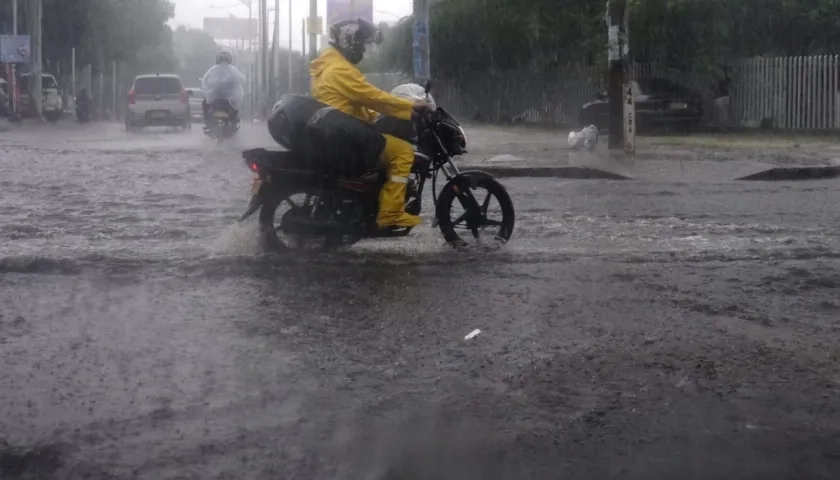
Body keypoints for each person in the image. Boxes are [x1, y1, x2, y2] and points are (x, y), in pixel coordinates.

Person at [310, 18, 433, 230]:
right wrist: (410, 107)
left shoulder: (329, 67)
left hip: (342, 131)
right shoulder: (339, 70)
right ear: (350, 43)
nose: (363, 50)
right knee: (403, 151)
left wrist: (378, 115)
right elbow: (373, 96)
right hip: (347, 137)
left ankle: (376, 201)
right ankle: (391, 214)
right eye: (361, 45)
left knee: (389, 143)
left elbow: (356, 103)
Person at [200, 51, 246, 129]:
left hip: (215, 98)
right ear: (229, 60)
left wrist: (207, 90)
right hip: (228, 99)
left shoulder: (213, 70)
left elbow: (204, 81)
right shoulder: (233, 70)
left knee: (205, 103)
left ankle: (207, 121)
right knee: (236, 108)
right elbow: (243, 80)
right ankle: (233, 122)